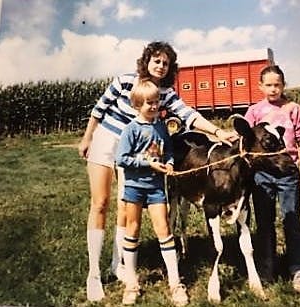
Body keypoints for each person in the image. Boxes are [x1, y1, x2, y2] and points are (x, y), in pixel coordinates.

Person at [78, 41, 238, 302]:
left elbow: (189, 115)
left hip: (135, 149)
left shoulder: (166, 94)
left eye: (166, 62)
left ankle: (118, 264)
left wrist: (219, 132)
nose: (161, 66)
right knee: (100, 202)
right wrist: (87, 138)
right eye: (156, 60)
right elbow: (99, 109)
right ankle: (93, 273)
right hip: (106, 139)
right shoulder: (124, 81)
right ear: (146, 61)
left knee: (124, 206)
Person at [244, 65, 300, 294]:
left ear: (283, 85)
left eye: (278, 84)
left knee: (291, 221)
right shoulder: (254, 112)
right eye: (269, 85)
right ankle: (267, 267)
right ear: (260, 86)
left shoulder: (293, 109)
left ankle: (298, 269)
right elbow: (244, 141)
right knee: (264, 223)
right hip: (262, 176)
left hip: (288, 174)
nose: (273, 89)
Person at [116, 79, 187, 306]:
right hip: (135, 188)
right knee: (133, 229)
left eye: (156, 101)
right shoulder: (131, 129)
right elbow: (122, 159)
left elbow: (168, 153)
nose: (154, 106)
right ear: (137, 104)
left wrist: (170, 164)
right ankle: (131, 282)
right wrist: (149, 165)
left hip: (156, 188)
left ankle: (175, 283)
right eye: (148, 103)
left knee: (164, 229)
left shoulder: (161, 127)